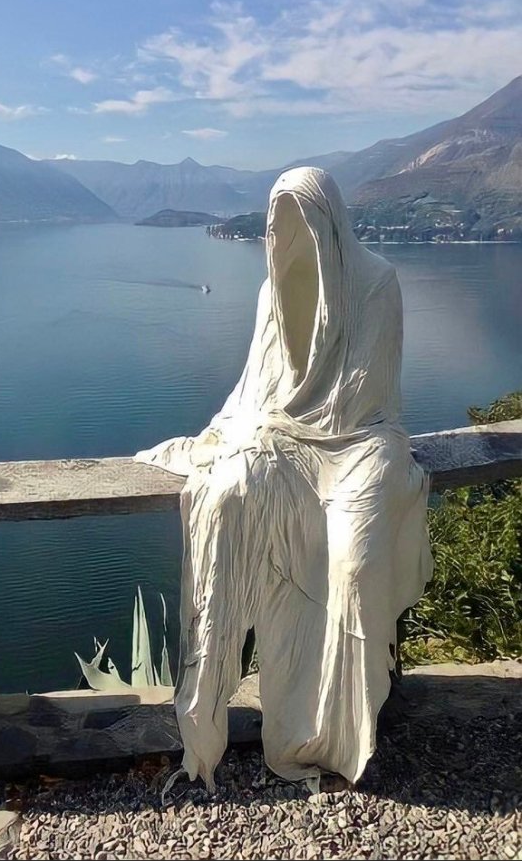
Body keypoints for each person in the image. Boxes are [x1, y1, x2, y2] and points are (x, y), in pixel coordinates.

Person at [135, 167, 433, 790]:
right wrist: (262, 433)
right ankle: (229, 721)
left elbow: (368, 392)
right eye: (273, 221)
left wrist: (308, 429)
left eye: (293, 218)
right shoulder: (273, 292)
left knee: (354, 560)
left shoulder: (377, 282)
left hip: (363, 440)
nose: (279, 233)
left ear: (327, 218)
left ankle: (339, 729)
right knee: (228, 494)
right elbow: (262, 389)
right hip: (291, 438)